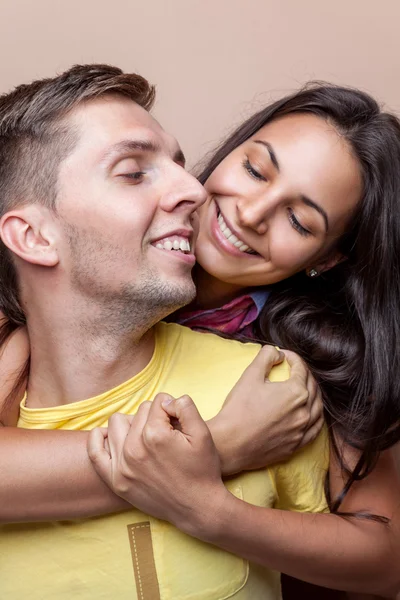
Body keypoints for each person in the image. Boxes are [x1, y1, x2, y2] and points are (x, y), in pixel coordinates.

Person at [0, 66, 399, 597]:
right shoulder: (45, 300)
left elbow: (383, 559)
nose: (252, 213)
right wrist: (219, 446)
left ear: (324, 260)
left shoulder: (299, 367)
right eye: (256, 170)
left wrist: (212, 513)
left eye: (300, 222)